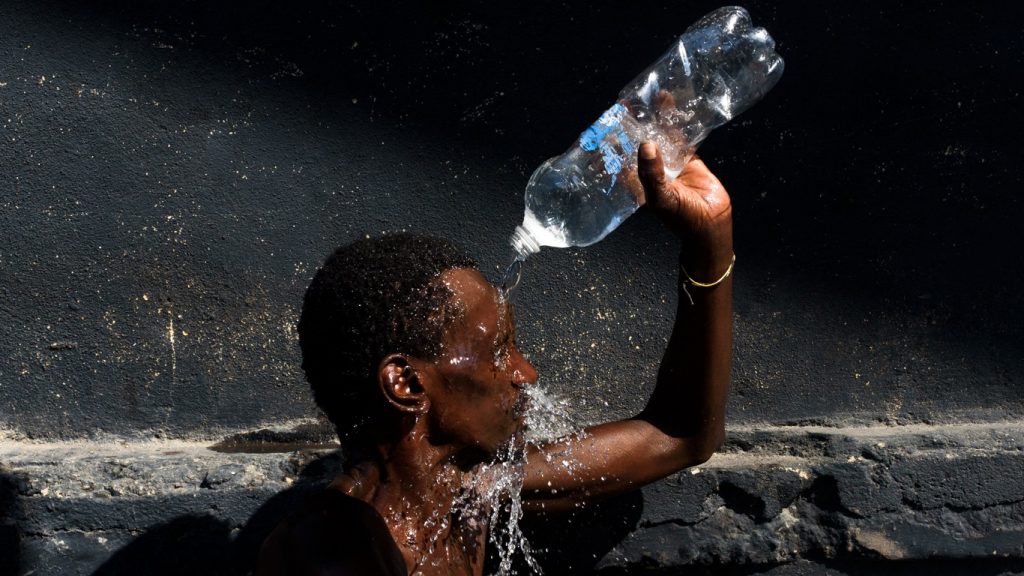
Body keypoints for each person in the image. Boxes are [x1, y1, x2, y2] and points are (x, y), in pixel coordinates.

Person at [256, 141, 733, 576]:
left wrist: (710, 239)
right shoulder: (330, 552)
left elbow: (681, 434)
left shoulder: (471, 490)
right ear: (408, 384)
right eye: (499, 352)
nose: (526, 373)